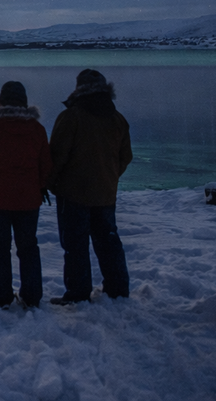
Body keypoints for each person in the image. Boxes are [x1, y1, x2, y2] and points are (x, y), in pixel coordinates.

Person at [48, 69, 133, 304]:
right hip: (105, 193)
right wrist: (109, 177)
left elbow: (57, 156)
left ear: (78, 89)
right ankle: (118, 289)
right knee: (108, 242)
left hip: (72, 193)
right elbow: (125, 156)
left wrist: (50, 183)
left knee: (75, 245)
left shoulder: (71, 117)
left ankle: (78, 293)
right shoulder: (117, 120)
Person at [0, 80, 53, 308]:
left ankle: (2, 297)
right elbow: (46, 167)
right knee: (28, 248)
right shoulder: (37, 130)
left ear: (1, 101)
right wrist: (41, 187)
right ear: (24, 102)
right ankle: (32, 297)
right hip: (28, 200)